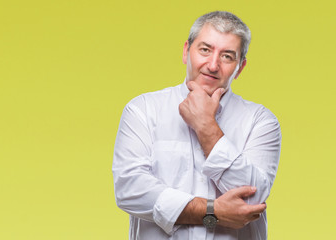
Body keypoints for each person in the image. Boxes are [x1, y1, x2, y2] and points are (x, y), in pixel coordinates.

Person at [112, 11, 281, 240]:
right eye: (205, 50)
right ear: (186, 52)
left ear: (239, 68)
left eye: (227, 56)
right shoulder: (143, 110)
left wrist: (206, 126)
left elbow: (252, 201)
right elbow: (129, 190)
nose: (212, 65)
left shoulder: (261, 122)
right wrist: (211, 212)